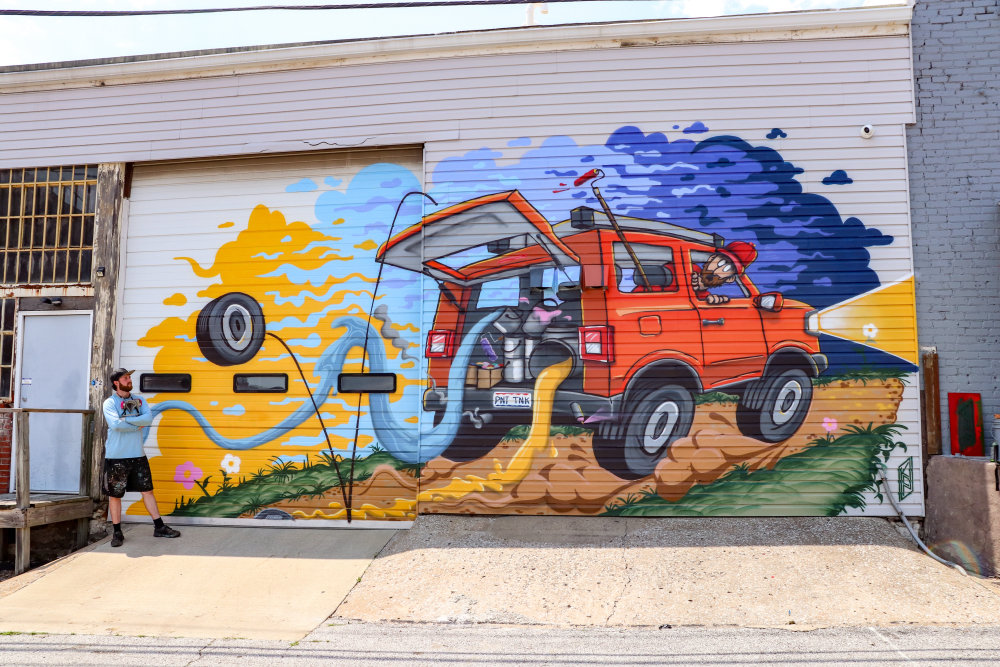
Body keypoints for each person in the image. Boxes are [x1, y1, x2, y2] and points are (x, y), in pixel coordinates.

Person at [102, 368, 180, 547]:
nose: (129, 380)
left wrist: (126, 421)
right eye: (125, 378)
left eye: (129, 377)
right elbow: (115, 425)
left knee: (147, 491)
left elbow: (148, 419)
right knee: (115, 495)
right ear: (116, 382)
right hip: (117, 457)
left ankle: (159, 527)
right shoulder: (110, 403)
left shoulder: (138, 400)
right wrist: (135, 425)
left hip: (138, 454)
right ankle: (117, 533)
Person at [691, 241, 757, 305]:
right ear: (711, 258)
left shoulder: (704, 295)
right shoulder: (691, 269)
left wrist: (714, 300)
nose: (716, 271)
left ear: (730, 279)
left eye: (726, 269)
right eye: (720, 263)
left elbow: (701, 299)